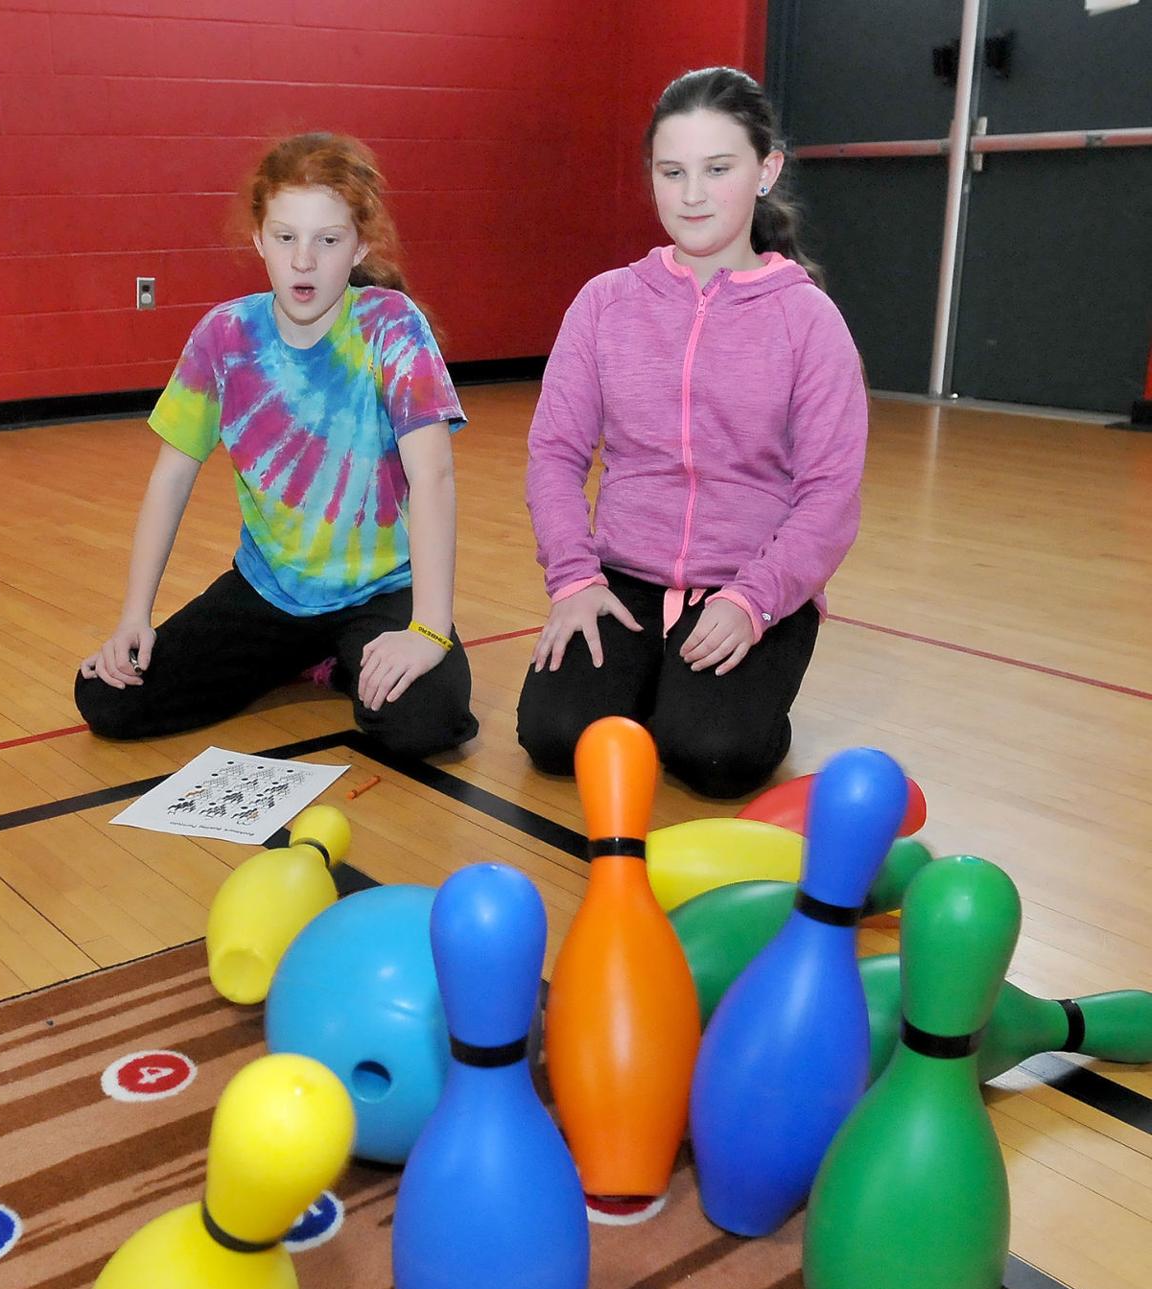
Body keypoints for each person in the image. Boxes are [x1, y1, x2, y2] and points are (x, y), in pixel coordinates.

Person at [517, 67, 867, 799]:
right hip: (623, 580)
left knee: (712, 754)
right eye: (672, 172)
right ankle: (652, 679)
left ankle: (722, 694)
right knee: (554, 739)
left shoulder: (810, 322)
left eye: (718, 169)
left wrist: (754, 600)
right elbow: (554, 454)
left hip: (749, 586)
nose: (693, 194)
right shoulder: (603, 305)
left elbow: (830, 496)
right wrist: (575, 579)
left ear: (766, 170)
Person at [77, 132, 477, 758]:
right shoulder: (224, 336)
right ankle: (306, 658)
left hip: (379, 591)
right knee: (107, 697)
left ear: (360, 244)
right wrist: (134, 616)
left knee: (424, 722)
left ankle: (345, 658)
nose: (304, 261)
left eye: (328, 239)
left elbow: (434, 479)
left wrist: (429, 627)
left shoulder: (391, 326)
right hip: (268, 593)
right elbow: (170, 478)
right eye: (286, 237)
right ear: (260, 238)